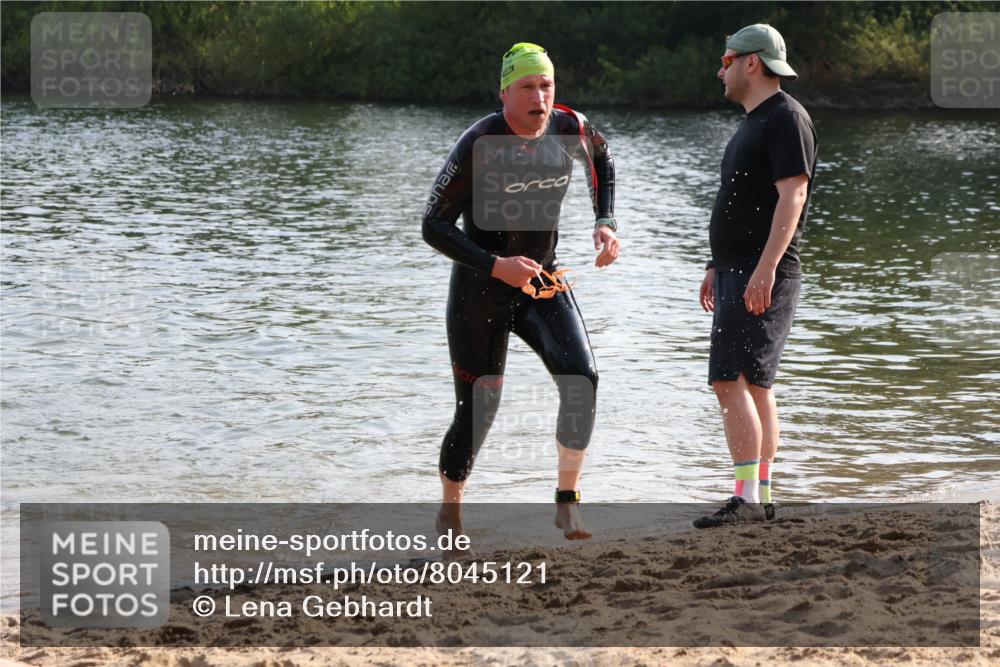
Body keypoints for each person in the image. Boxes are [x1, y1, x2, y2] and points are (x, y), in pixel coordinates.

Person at [422, 42, 619, 541]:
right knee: (477, 413)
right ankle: (451, 510)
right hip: (479, 292)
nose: (539, 97)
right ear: (505, 93)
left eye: (546, 85)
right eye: (527, 87)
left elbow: (602, 158)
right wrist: (494, 265)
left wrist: (605, 221)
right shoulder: (479, 142)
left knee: (582, 379)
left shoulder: (569, 125)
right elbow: (433, 225)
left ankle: (567, 502)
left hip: (541, 282)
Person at [693, 24, 818, 528]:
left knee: (731, 380)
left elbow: (794, 196)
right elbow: (743, 201)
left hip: (762, 270)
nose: (719, 69)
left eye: (726, 60)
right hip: (737, 270)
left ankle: (744, 499)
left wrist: (763, 270)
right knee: (755, 385)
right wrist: (714, 265)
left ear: (751, 63)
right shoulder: (754, 121)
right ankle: (761, 496)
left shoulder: (787, 118)